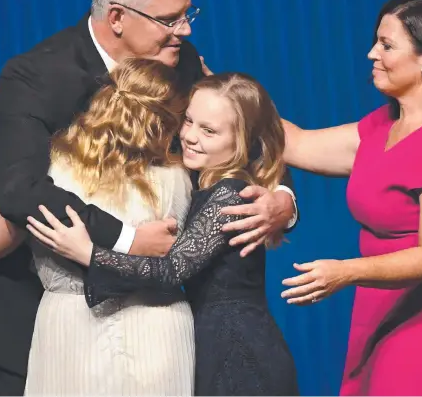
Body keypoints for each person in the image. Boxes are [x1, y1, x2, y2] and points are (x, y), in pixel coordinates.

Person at [0, 0, 297, 396]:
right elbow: (19, 191)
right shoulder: (34, 77)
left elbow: (244, 133)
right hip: (28, 318)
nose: (184, 30)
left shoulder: (181, 62)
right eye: (170, 20)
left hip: (152, 324)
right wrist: (128, 239)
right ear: (117, 18)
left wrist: (282, 201)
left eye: (189, 14)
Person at [25, 72, 299, 396]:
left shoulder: (230, 194)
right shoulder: (206, 183)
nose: (190, 136)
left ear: (243, 141)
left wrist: (87, 253)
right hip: (216, 341)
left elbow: (171, 270)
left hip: (238, 351)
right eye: (189, 121)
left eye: (209, 131)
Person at [281, 0, 422, 395]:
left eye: (387, 45)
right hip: (379, 314)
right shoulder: (381, 127)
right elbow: (296, 143)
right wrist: (212, 86)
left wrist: (346, 271)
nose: (371, 53)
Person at [0, 58, 197, 394]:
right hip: (158, 330)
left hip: (69, 329)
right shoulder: (178, 180)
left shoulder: (49, 177)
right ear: (167, 124)